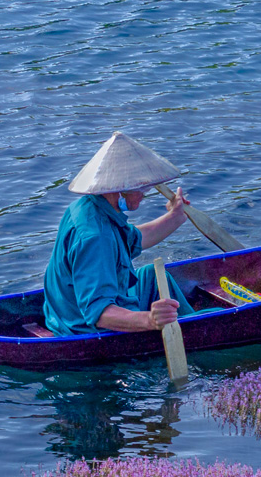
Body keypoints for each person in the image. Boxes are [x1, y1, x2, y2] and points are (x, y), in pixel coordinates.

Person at [41, 131, 196, 337]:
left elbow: (134, 240)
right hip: (81, 327)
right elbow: (100, 314)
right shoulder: (96, 237)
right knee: (208, 318)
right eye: (140, 188)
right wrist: (149, 320)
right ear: (119, 189)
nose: (144, 194)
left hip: (66, 310)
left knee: (152, 275)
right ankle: (199, 330)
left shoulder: (91, 208)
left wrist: (175, 217)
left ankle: (193, 325)